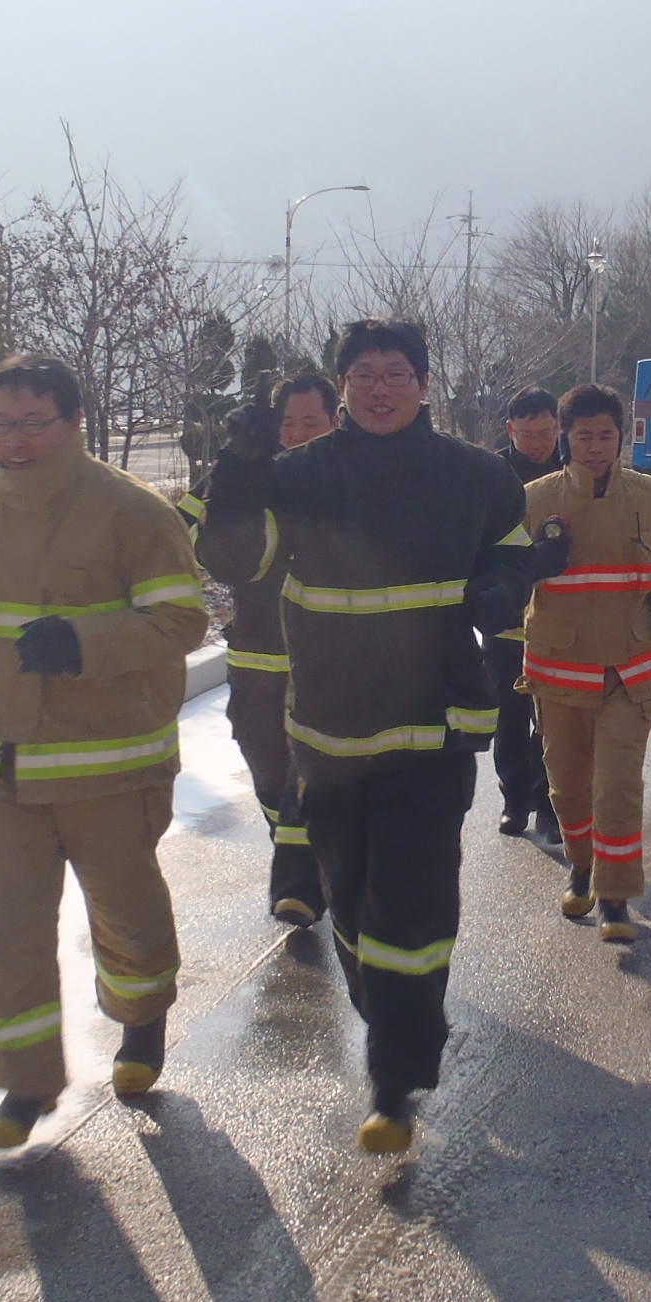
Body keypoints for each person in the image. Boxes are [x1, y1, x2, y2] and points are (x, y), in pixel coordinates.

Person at [196, 320, 528, 1154]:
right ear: (343, 386)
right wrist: (237, 468)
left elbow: (515, 551)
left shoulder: (475, 476)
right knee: (349, 897)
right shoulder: (298, 477)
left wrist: (502, 587)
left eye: (397, 373)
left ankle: (395, 1077)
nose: (381, 388)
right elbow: (232, 559)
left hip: (432, 726)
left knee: (414, 893)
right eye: (365, 374)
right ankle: (387, 1016)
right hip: (330, 732)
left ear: (424, 384)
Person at [0, 356, 210, 1150]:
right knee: (1, 934)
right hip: (1, 759)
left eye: (32, 424)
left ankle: (141, 1023)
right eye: (0, 424)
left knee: (127, 917)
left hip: (107, 761)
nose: (13, 440)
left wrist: (83, 641)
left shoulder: (132, 511)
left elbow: (181, 621)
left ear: (74, 423)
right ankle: (25, 1082)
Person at [519, 383, 651, 943]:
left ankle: (616, 896)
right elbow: (502, 567)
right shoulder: (535, 499)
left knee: (616, 787)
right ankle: (582, 865)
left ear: (621, 438)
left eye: (606, 436)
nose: (595, 447)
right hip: (560, 667)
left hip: (631, 668)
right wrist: (534, 563)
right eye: (584, 436)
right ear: (565, 438)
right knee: (568, 785)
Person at [178, 368, 338, 928]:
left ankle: (299, 882)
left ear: (335, 421)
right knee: (269, 777)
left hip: (328, 664)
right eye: (288, 423)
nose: (297, 434)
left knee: (308, 777)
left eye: (310, 423)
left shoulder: (348, 477)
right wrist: (236, 468)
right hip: (255, 661)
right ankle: (299, 855)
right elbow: (183, 530)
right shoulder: (243, 475)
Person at [488, 387, 566, 840]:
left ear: (558, 427)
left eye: (545, 433)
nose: (537, 444)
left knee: (554, 717)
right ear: (510, 430)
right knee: (510, 716)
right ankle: (514, 799)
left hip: (560, 617)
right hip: (507, 618)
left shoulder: (574, 471)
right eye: (526, 435)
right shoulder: (493, 475)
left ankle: (550, 804)